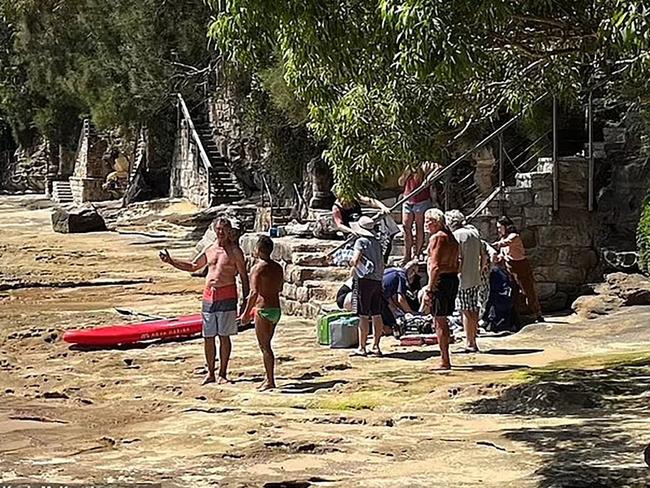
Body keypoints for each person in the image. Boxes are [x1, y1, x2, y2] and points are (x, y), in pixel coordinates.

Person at [159, 217, 249, 385]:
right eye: (219, 229)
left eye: (224, 229)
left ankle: (223, 372)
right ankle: (210, 373)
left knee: (224, 336)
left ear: (230, 231)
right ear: (215, 230)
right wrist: (171, 261)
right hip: (209, 296)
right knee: (208, 336)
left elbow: (244, 277)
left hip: (227, 294)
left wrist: (245, 301)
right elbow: (193, 266)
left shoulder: (235, 251)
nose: (221, 232)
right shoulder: (210, 249)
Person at [239, 235, 284, 391]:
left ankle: (270, 380)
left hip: (263, 309)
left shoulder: (257, 268)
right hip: (276, 308)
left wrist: (245, 314)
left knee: (265, 346)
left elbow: (253, 293)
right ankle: (268, 376)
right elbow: (280, 288)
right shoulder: (278, 267)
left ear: (257, 250)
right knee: (267, 344)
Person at [423, 208, 460, 370]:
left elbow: (435, 266)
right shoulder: (451, 238)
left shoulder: (438, 237)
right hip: (452, 278)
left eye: (428, 221)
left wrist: (430, 289)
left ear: (436, 222)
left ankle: (445, 360)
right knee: (441, 319)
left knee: (439, 320)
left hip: (441, 280)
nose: (425, 224)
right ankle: (445, 357)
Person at [446, 210, 484, 353]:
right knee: (474, 308)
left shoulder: (456, 236)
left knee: (465, 310)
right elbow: (483, 255)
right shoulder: (474, 233)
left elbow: (459, 258)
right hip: (475, 276)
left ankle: (469, 343)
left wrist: (457, 273)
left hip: (463, 279)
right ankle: (473, 340)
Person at [491, 216, 542, 321]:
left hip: (521, 266)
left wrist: (489, 245)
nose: (499, 230)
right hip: (510, 267)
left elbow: (505, 243)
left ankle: (537, 314)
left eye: (500, 227)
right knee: (513, 291)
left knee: (528, 290)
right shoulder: (502, 237)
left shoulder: (514, 236)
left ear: (506, 226)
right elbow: (503, 253)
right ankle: (516, 315)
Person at [349, 216, 385, 357]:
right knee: (377, 313)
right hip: (377, 280)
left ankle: (362, 347)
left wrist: (350, 262)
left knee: (363, 315)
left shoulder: (360, 242)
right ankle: (376, 346)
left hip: (365, 280)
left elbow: (355, 260)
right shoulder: (377, 243)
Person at [332, 191, 398, 263]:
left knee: (382, 230)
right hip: (351, 231)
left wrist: (383, 207)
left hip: (363, 225)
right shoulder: (336, 208)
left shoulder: (354, 196)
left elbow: (370, 201)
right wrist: (351, 231)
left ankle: (382, 260)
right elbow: (340, 225)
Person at [398, 162, 437, 264]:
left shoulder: (425, 165)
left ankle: (417, 253)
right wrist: (406, 173)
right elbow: (401, 183)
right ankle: (407, 255)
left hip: (421, 200)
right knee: (406, 226)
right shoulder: (408, 168)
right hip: (407, 199)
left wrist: (429, 178)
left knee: (419, 227)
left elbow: (439, 168)